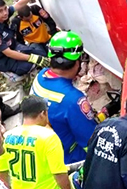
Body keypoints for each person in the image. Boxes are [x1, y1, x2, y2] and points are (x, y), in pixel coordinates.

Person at [31, 30, 120, 164]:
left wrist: (104, 113)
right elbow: (90, 140)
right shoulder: (74, 100)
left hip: (45, 149)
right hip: (70, 160)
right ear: (77, 62)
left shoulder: (41, 77)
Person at [0, 0, 49, 76]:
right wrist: (32, 58)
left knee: (41, 54)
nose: (5, 13)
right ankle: (11, 75)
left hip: (14, 46)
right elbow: (8, 53)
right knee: (28, 66)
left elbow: (19, 4)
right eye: (0, 11)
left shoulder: (4, 15)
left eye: (5, 8)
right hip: (3, 58)